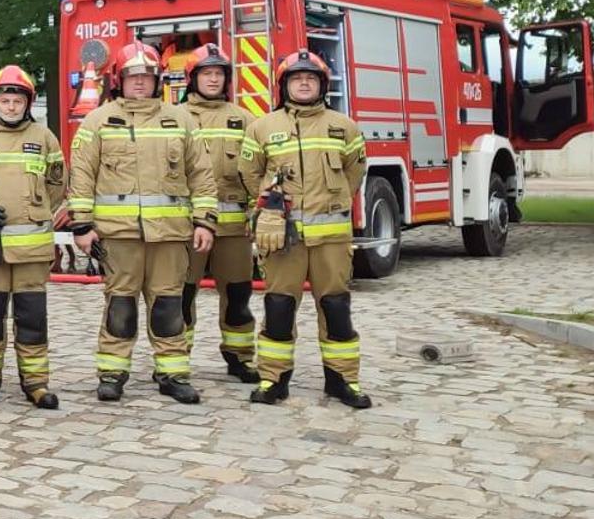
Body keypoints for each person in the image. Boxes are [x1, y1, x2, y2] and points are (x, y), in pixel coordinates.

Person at [68, 42, 219, 405]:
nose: (140, 83)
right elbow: (82, 176)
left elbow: (201, 174)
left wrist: (205, 221)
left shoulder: (180, 119)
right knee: (120, 306)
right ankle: (112, 372)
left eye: (147, 77)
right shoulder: (98, 120)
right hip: (118, 237)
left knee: (169, 305)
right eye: (133, 76)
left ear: (158, 81)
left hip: (170, 235)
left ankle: (173, 373)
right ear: (120, 80)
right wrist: (82, 226)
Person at [241, 50, 373, 409]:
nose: (303, 83)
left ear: (321, 85)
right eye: (296, 78)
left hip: (331, 238)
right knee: (280, 307)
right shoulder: (262, 127)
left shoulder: (344, 126)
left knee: (336, 308)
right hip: (282, 238)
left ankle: (342, 381)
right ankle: (273, 380)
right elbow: (250, 174)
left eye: (310, 78)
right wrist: (268, 208)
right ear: (284, 85)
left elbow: (353, 174)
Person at [0, 65, 65, 411]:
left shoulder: (44, 137)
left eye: (17, 100)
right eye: (5, 100)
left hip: (32, 250)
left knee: (32, 318)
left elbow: (56, 185)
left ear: (27, 103)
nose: (11, 106)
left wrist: (33, 214)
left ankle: (36, 383)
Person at [178, 44, 261, 384]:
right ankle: (175, 359)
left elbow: (260, 170)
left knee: (239, 295)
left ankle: (240, 357)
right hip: (186, 228)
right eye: (206, 73)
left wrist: (260, 215)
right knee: (181, 296)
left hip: (233, 229)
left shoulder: (244, 120)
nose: (213, 79)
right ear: (192, 78)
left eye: (218, 74)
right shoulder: (175, 117)